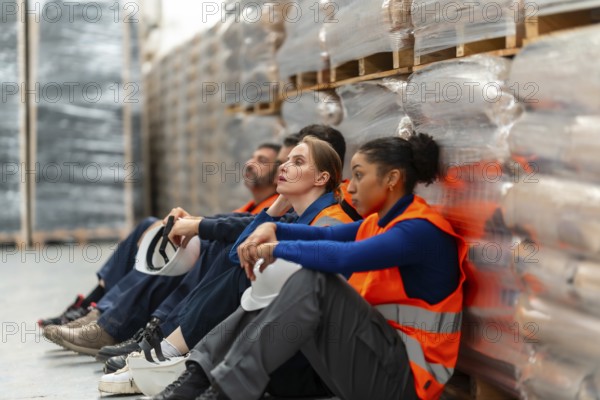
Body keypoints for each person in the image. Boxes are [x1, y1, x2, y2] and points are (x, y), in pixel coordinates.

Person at [160, 134, 468, 400]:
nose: (352, 187)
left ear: (392, 179)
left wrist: (275, 247)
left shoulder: (420, 231)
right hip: (368, 359)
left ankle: (222, 389)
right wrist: (277, 230)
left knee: (314, 280)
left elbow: (344, 256)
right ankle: (200, 377)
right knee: (280, 280)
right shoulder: (380, 223)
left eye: (360, 175)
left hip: (406, 383)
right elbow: (326, 235)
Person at [99, 135, 355, 397]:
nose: (284, 167)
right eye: (286, 160)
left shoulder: (332, 221)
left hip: (310, 355)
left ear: (322, 178)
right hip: (279, 339)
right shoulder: (293, 215)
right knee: (234, 264)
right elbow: (236, 254)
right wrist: (277, 207)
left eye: (297, 161)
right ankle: (172, 354)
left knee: (241, 276)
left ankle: (170, 355)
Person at [43, 141, 286, 355]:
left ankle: (123, 325)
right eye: (252, 157)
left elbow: (234, 228)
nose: (250, 163)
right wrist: (186, 223)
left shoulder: (282, 212)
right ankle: (95, 308)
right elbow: (227, 221)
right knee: (152, 225)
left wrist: (193, 228)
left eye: (262, 160)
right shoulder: (257, 207)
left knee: (190, 244)